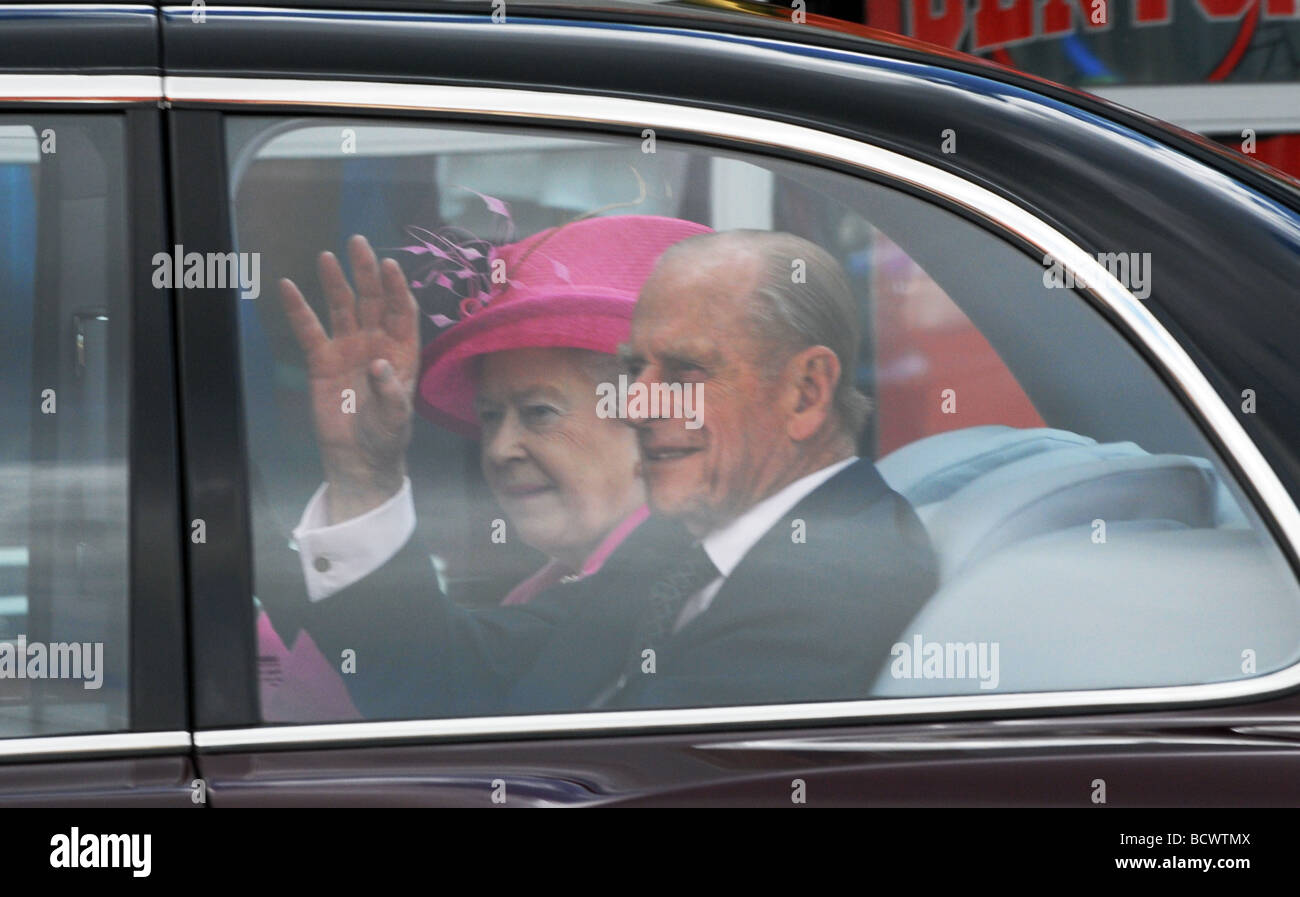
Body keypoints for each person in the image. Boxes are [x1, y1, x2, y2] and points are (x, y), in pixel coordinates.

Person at [290, 228, 938, 719]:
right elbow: (450, 676)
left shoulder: (836, 567)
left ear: (804, 391)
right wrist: (363, 474)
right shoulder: (685, 551)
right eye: (635, 371)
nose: (636, 404)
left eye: (684, 370)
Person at [258, 215, 710, 720]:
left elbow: (439, 689)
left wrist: (364, 478)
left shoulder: (669, 582)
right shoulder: (563, 588)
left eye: (539, 412)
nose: (499, 449)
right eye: (490, 416)